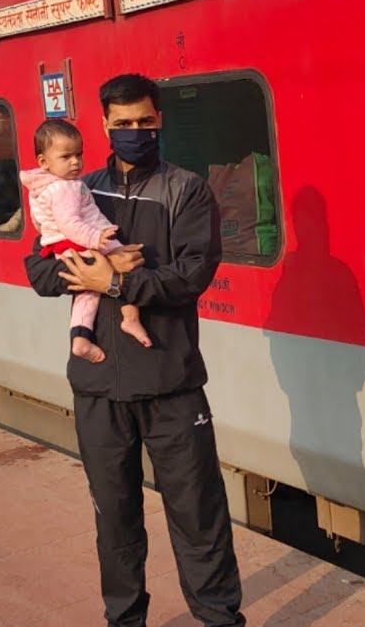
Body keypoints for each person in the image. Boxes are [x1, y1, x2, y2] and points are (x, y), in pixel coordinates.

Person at [24, 73, 245, 627]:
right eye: (122, 124)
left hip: (172, 382)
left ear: (159, 120)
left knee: (199, 517)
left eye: (144, 122)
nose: (134, 132)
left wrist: (115, 285)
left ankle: (220, 620)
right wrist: (93, 274)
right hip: (98, 387)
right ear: (104, 125)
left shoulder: (185, 189)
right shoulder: (75, 187)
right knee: (115, 521)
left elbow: (193, 274)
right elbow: (39, 271)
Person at [20, 119, 152, 363]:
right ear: (43, 162)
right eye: (66, 156)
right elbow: (70, 222)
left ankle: (80, 337)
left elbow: (39, 222)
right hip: (83, 242)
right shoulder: (65, 188)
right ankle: (131, 318)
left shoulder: (42, 187)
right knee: (131, 262)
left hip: (61, 246)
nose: (75, 162)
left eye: (79, 154)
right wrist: (96, 239)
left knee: (88, 292)